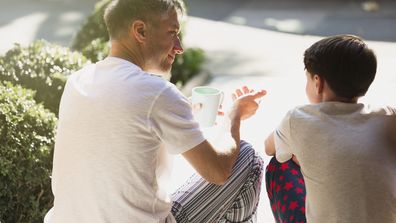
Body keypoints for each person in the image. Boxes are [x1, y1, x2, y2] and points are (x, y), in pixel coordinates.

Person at [44, 0, 266, 222]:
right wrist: (234, 114)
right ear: (140, 30)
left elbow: (120, 124)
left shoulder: (78, 81)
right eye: (172, 33)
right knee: (247, 157)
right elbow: (218, 171)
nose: (179, 47)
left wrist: (182, 110)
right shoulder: (157, 93)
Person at [264, 34, 396, 223]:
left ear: (318, 83)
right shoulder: (389, 117)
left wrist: (303, 151)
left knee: (280, 163)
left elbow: (269, 147)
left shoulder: (299, 119)